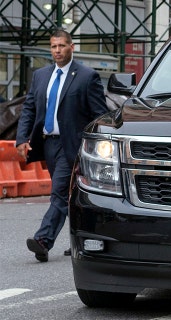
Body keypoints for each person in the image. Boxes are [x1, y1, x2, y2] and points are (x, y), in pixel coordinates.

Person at [15, 29, 109, 262]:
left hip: (74, 146)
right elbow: (29, 109)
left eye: (61, 46)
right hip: (48, 144)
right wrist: (21, 138)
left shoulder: (87, 77)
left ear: (71, 47)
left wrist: (94, 146)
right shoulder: (40, 76)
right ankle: (80, 239)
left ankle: (43, 240)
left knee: (58, 193)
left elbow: (99, 114)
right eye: (53, 46)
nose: (57, 51)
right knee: (69, 196)